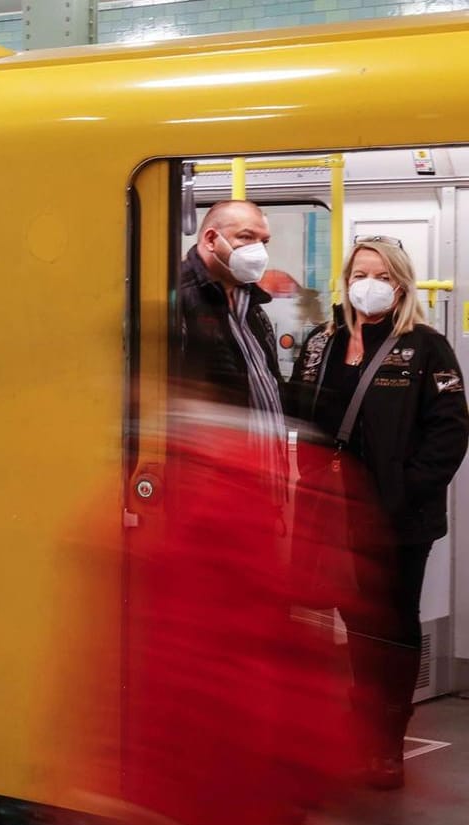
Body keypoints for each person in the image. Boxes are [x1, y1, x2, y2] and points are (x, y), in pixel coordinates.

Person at [289, 237, 469, 789]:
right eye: (360, 272)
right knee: (352, 620)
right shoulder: (322, 343)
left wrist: (404, 491)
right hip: (334, 511)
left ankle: (387, 742)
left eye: (382, 274)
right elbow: (300, 409)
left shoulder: (426, 347)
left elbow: (450, 430)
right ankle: (360, 730)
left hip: (398, 519)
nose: (370, 283)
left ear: (400, 283)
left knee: (390, 628)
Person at [177, 200, 288, 502]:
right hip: (212, 489)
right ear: (212, 239)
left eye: (264, 241)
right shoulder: (179, 302)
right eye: (246, 237)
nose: (259, 250)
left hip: (264, 486)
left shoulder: (252, 306)